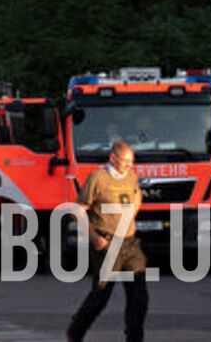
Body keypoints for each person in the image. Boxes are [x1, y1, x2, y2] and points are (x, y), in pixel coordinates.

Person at [67, 141, 148, 342]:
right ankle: (76, 330)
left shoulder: (130, 177)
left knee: (139, 295)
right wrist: (96, 239)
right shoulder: (98, 179)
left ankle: (134, 338)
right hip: (107, 243)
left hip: (130, 243)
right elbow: (77, 210)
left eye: (132, 162)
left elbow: (136, 199)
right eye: (125, 162)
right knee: (101, 296)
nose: (129, 166)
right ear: (112, 158)